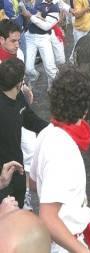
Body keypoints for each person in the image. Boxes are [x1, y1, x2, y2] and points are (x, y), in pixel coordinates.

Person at [29, 65, 90, 253]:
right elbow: (48, 217)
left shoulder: (47, 133)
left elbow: (32, 182)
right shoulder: (64, 149)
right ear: (85, 109)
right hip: (65, 244)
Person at [0, 57, 48, 208]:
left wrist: (55, 130)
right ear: (19, 83)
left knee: (19, 208)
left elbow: (29, 118)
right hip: (3, 175)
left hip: (18, 168)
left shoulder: (18, 96)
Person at [22, 0, 60, 91]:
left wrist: (31, 16)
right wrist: (36, 16)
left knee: (50, 68)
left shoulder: (55, 7)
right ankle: (34, 77)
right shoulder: (38, 1)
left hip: (44, 38)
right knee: (27, 68)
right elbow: (27, 10)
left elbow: (46, 26)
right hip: (29, 37)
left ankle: (53, 85)